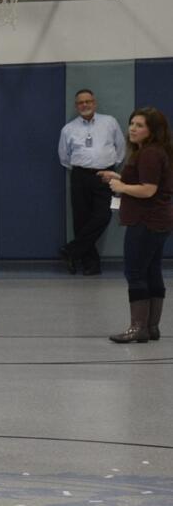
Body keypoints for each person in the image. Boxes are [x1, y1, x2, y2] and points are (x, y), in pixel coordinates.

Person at [98, 108, 173, 343]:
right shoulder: (156, 152)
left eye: (140, 125)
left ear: (152, 130)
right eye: (131, 123)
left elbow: (148, 190)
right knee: (151, 270)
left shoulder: (149, 154)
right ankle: (151, 327)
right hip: (158, 220)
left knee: (135, 272)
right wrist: (119, 178)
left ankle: (138, 327)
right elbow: (148, 182)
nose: (132, 128)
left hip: (146, 220)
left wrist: (122, 188)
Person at [58, 89, 125, 275]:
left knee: (103, 216)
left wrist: (111, 168)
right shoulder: (68, 129)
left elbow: (121, 147)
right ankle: (91, 265)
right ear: (76, 106)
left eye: (88, 101)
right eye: (81, 102)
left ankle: (70, 250)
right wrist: (83, 168)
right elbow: (64, 157)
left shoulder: (109, 122)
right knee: (81, 221)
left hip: (105, 176)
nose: (85, 105)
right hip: (80, 176)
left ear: (94, 103)